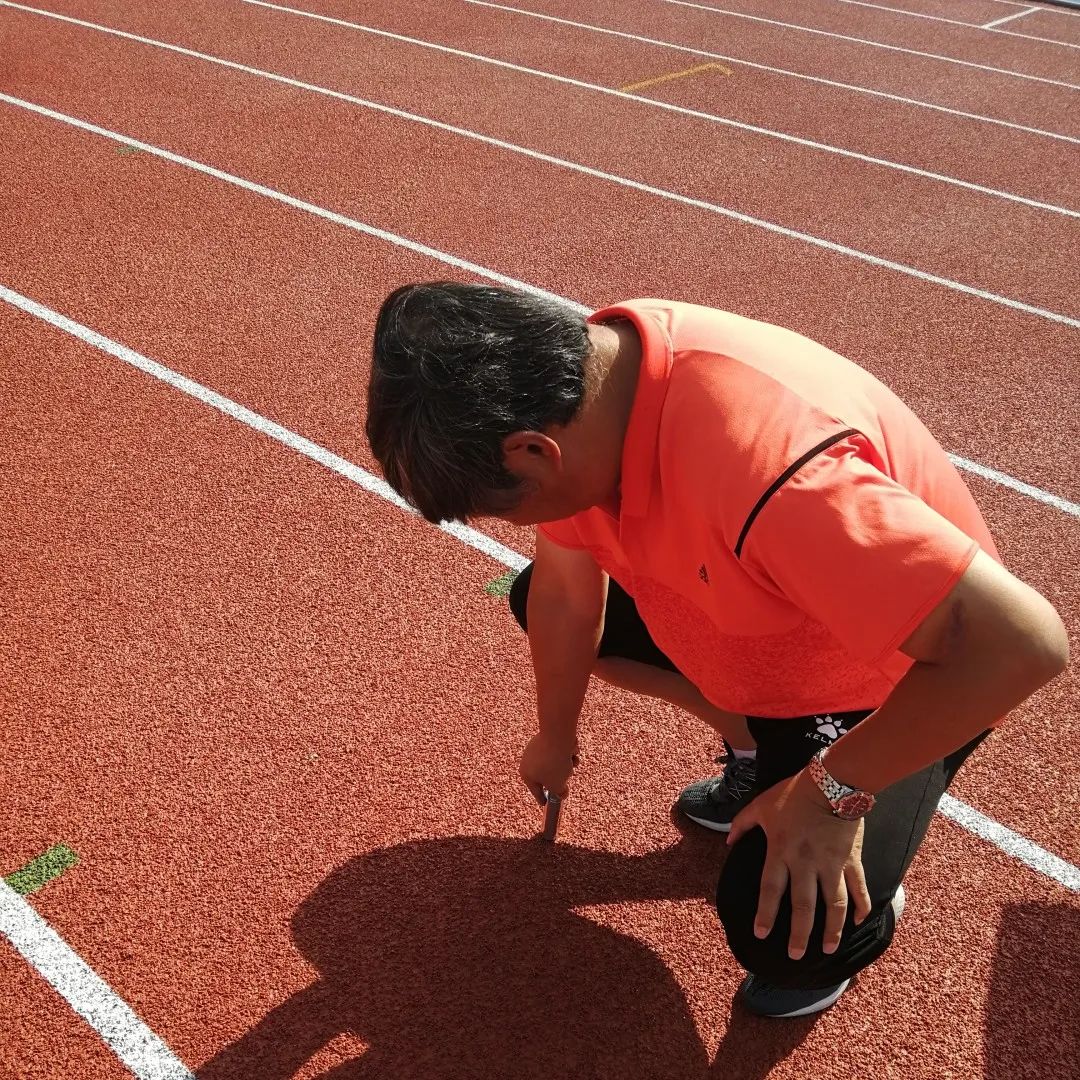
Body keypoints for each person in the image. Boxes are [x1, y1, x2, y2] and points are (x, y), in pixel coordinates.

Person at [365, 281, 1068, 1018]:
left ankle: (862, 863)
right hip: (776, 615)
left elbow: (1019, 645)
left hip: (890, 678)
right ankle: (757, 748)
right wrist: (556, 734)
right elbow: (569, 598)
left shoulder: (774, 468)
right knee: (534, 596)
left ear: (535, 452)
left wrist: (835, 793)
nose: (510, 524)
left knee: (788, 944)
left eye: (503, 507)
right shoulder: (589, 392)